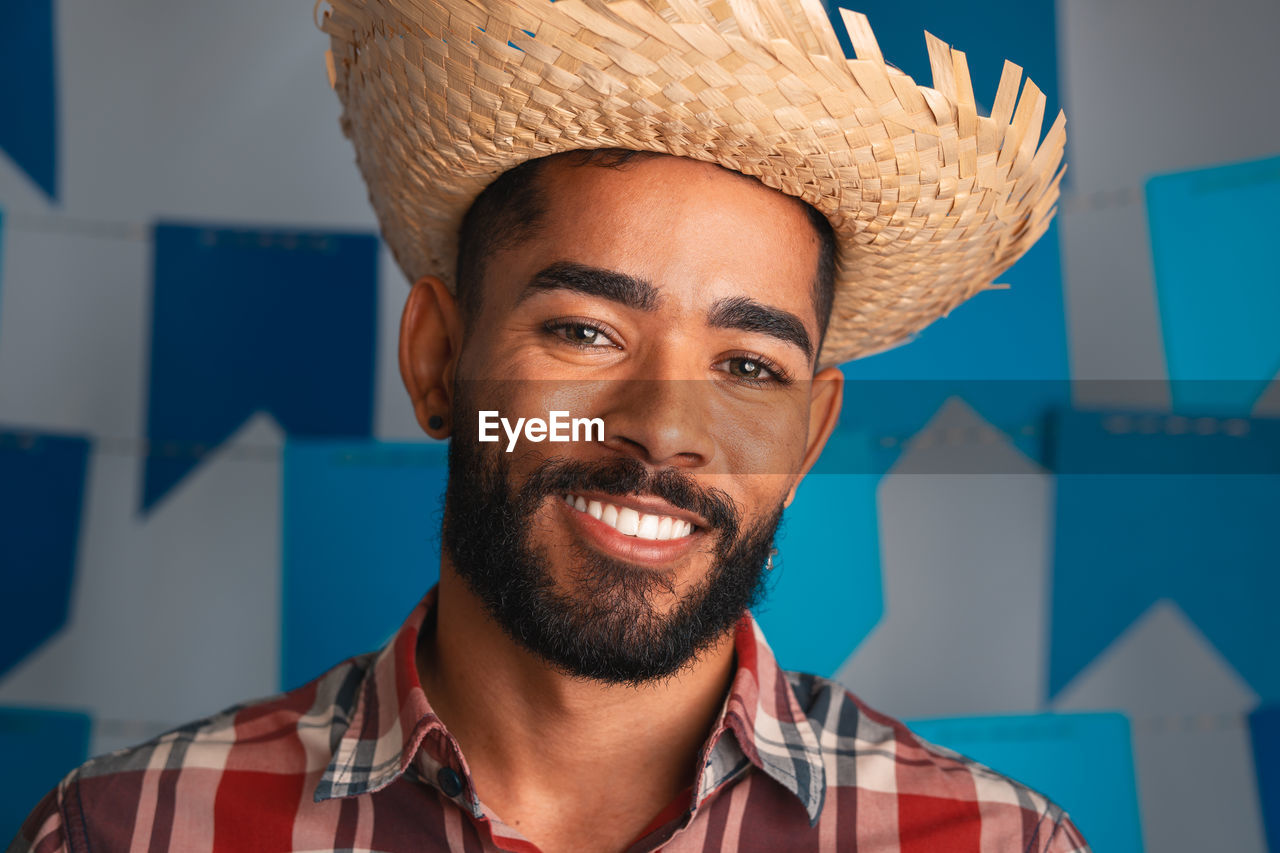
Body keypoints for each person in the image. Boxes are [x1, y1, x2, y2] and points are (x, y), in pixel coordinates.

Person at [10, 0, 1086, 851]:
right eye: (584, 332)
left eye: (748, 365)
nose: (665, 431)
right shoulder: (127, 832)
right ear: (438, 360)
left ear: (805, 440)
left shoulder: (994, 846)